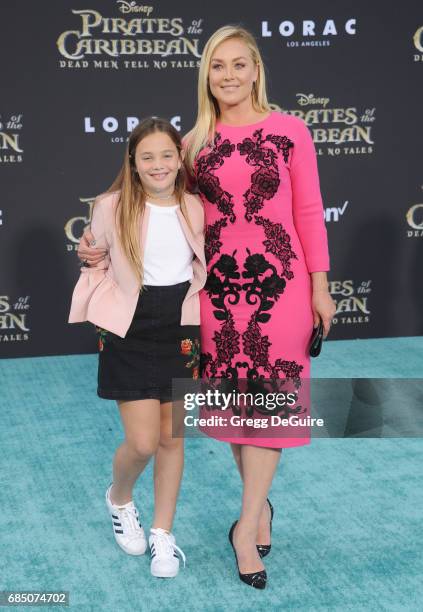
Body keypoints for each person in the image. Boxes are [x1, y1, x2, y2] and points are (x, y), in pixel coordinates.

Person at [78, 26, 337, 590]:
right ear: (206, 75)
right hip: (214, 295)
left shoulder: (291, 130)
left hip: (283, 285)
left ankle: (246, 527)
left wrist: (320, 285)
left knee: (271, 404)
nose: (228, 76)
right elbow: (151, 202)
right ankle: (259, 508)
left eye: (239, 65)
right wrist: (95, 242)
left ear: (256, 69)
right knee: (235, 407)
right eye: (217, 66)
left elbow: (311, 212)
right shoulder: (194, 142)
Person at [69, 117, 206, 578]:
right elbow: (97, 259)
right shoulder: (110, 206)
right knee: (144, 441)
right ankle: (120, 497)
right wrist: (89, 257)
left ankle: (163, 535)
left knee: (173, 437)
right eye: (147, 156)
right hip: (128, 325)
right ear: (132, 161)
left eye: (167, 154)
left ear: (180, 157)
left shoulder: (194, 206)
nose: (158, 164)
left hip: (181, 324)